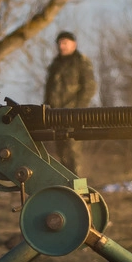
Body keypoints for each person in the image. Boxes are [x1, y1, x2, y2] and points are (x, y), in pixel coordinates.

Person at [43, 30, 97, 172]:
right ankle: (67, 189)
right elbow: (49, 90)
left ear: (74, 44)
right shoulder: (55, 64)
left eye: (65, 43)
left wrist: (77, 110)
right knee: (62, 154)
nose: (62, 46)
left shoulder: (81, 62)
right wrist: (46, 111)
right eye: (59, 43)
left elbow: (89, 88)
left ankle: (78, 189)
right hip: (56, 116)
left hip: (74, 116)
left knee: (74, 154)